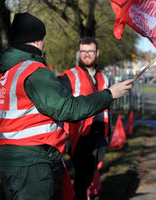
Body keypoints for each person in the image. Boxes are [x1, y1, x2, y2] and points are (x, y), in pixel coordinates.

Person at [0, 12, 134, 200]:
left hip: (8, 159)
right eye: (43, 39)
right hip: (31, 163)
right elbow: (68, 108)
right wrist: (110, 94)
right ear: (36, 41)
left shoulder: (4, 74)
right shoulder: (34, 71)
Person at [58, 37, 110, 200]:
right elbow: (61, 107)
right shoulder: (68, 76)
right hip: (79, 137)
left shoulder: (103, 77)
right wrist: (65, 136)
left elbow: (109, 107)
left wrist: (109, 132)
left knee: (87, 177)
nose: (86, 55)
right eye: (83, 51)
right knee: (81, 179)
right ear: (79, 53)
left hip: (99, 135)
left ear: (97, 53)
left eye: (90, 51)